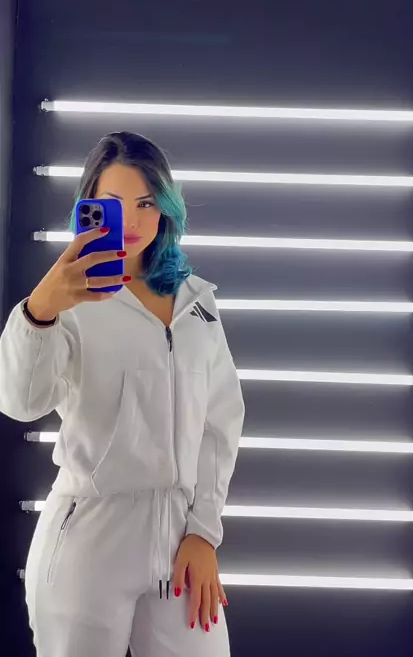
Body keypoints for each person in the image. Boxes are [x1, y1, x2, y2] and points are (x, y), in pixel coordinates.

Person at [0, 131, 245, 657]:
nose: (131, 221)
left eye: (146, 204)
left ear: (166, 209)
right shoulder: (66, 299)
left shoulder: (197, 303)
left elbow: (220, 423)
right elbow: (20, 402)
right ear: (89, 205)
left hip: (178, 540)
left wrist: (203, 532)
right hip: (88, 539)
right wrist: (39, 311)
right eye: (113, 204)